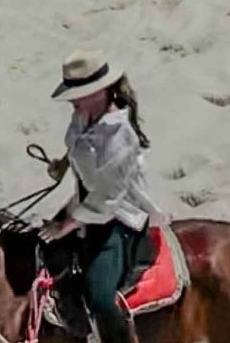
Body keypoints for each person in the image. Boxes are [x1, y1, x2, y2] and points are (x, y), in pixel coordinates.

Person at [39, 49, 161, 343]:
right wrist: (64, 162)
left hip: (119, 218)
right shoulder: (82, 117)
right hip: (84, 204)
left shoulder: (120, 134)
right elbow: (80, 147)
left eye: (78, 93)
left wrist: (65, 225)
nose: (72, 99)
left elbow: (108, 198)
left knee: (100, 294)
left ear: (101, 92)